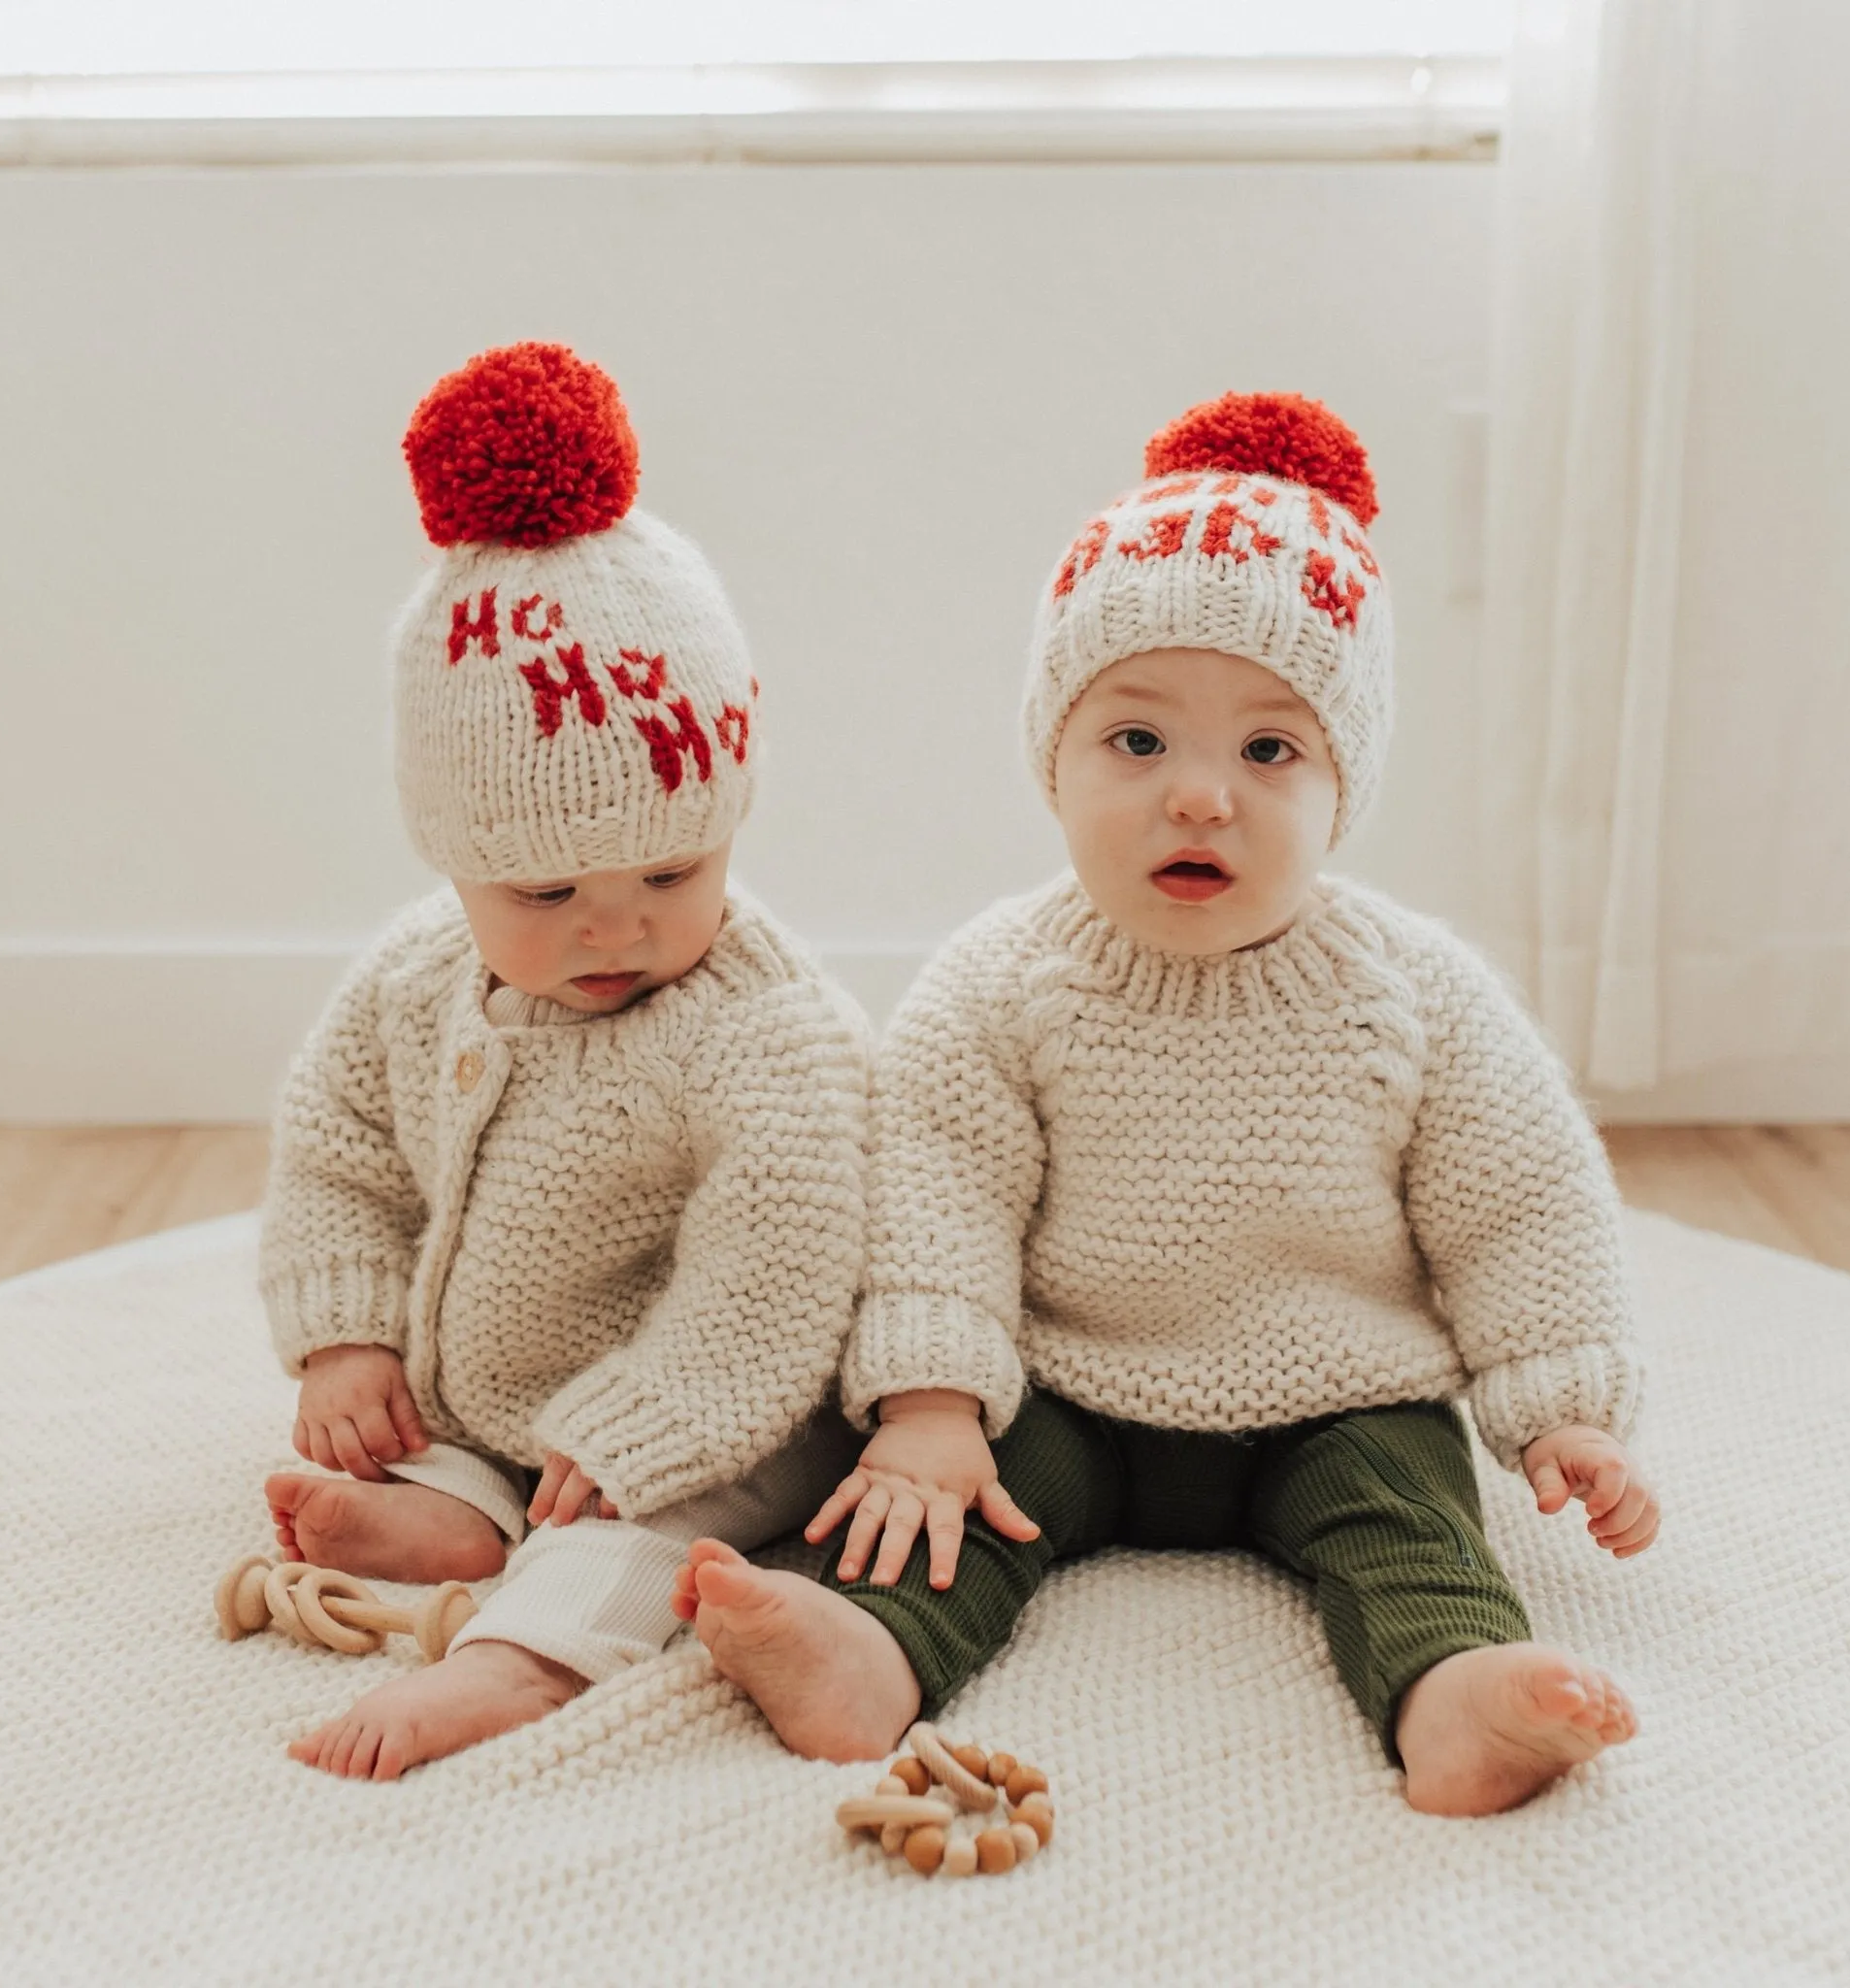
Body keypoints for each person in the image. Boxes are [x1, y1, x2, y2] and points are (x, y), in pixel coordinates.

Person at [676, 391, 1659, 1816]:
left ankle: (1458, 1696)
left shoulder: (1414, 990)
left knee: (1410, 1523)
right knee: (952, 1511)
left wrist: (1565, 1408)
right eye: (1138, 742)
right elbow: (933, 1189)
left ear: (1342, 786)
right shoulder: (1004, 982)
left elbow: (1520, 1199)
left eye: (1269, 752)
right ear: (1055, 757)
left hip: (1343, 1396)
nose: (1200, 797)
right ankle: (869, 1655)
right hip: (1072, 1385)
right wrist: (934, 1402)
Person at [258, 342, 868, 1780]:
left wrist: (657, 1417)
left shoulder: (759, 1027)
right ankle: (460, 1504)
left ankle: (519, 1661)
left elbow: (780, 1255)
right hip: (509, 1392)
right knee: (429, 1439)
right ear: (455, 859)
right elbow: (336, 1145)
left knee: (625, 1530)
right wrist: (348, 1333)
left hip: (738, 1407)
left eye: (671, 870)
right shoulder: (415, 978)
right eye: (542, 895)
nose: (617, 926)